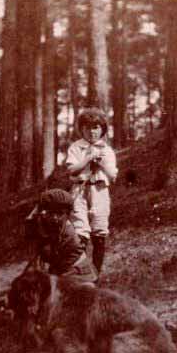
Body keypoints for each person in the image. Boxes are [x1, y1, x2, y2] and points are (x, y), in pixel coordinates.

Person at [65, 107, 117, 276]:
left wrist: (100, 162)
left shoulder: (107, 150)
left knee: (99, 231)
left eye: (95, 127)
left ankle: (97, 274)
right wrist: (87, 159)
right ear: (81, 129)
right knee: (81, 232)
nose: (92, 131)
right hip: (80, 191)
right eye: (87, 127)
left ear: (102, 129)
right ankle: (83, 274)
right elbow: (71, 169)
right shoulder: (76, 147)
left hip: (99, 190)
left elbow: (113, 175)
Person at [24, 188, 98, 285]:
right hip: (59, 271)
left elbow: (57, 263)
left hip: (77, 274)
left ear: (67, 215)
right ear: (43, 213)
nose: (55, 218)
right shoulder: (40, 224)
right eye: (51, 213)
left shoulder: (68, 234)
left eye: (60, 213)